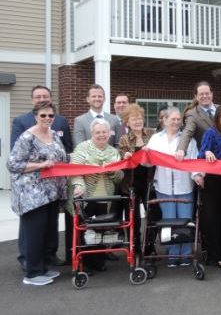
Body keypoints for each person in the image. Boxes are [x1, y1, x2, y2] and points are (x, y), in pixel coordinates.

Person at [10, 85, 72, 269]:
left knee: (49, 226)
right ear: (33, 105)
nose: (47, 118)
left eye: (50, 115)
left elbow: (65, 152)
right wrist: (40, 165)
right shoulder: (23, 127)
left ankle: (48, 257)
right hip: (32, 191)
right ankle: (29, 262)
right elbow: (14, 161)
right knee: (32, 229)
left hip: (52, 189)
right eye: (38, 97)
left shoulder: (56, 128)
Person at [147, 106, 200, 267]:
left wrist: (197, 175)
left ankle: (185, 256)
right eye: (173, 119)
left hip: (184, 187)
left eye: (178, 119)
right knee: (169, 223)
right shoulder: (155, 138)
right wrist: (145, 153)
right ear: (164, 120)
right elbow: (147, 162)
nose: (176, 122)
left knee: (185, 222)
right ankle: (172, 256)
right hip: (163, 187)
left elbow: (194, 160)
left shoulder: (188, 139)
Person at [69, 118, 124, 272]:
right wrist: (79, 186)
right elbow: (75, 171)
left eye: (104, 132)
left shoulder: (113, 152)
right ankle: (83, 264)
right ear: (92, 133)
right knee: (85, 230)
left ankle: (98, 262)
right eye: (98, 132)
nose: (101, 135)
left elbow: (120, 178)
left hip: (106, 197)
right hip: (86, 197)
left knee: (101, 229)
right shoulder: (82, 148)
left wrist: (112, 171)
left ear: (109, 133)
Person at [196, 105, 221, 269]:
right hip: (213, 182)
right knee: (214, 219)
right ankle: (216, 256)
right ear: (218, 117)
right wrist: (206, 153)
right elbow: (201, 154)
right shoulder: (211, 133)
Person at [118, 104, 156, 255]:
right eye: (133, 119)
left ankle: (150, 247)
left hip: (150, 182)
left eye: (139, 118)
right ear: (127, 122)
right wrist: (126, 156)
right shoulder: (124, 139)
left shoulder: (152, 135)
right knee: (133, 219)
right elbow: (121, 155)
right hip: (131, 184)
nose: (137, 121)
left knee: (153, 217)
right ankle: (135, 249)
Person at [176, 81, 216, 160]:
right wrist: (181, 149)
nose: (205, 96)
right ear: (196, 96)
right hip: (207, 160)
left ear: (212, 94)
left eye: (207, 93)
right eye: (201, 94)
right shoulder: (192, 114)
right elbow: (188, 132)